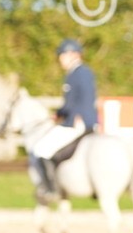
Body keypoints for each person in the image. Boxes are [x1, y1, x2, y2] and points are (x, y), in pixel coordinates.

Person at [31, 38, 98, 204]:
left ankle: (51, 189)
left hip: (76, 122)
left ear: (72, 55)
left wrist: (66, 114)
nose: (60, 59)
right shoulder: (80, 72)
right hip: (82, 119)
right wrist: (59, 113)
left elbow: (77, 102)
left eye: (62, 55)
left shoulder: (78, 73)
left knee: (40, 149)